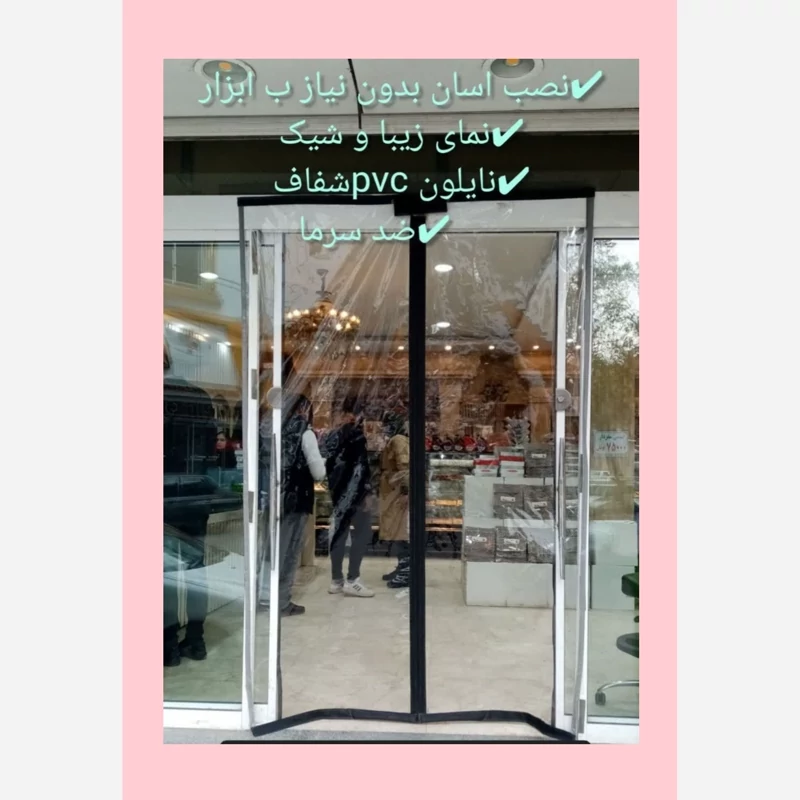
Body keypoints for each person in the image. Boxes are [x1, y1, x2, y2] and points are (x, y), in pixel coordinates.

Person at [163, 340, 217, 666]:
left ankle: (168, 643)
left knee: (166, 572)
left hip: (163, 497)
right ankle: (196, 639)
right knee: (197, 570)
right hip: (196, 496)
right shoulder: (200, 397)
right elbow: (211, 451)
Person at [259, 393, 326, 616]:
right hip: (295, 501)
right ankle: (281, 601)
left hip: (270, 498)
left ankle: (263, 596)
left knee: (269, 550)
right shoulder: (305, 433)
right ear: (303, 409)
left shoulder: (269, 430)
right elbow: (318, 472)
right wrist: (323, 463)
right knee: (288, 552)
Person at [324, 395, 375, 598]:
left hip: (338, 493)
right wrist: (366, 491)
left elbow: (328, 465)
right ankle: (353, 579)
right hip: (356, 493)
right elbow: (362, 466)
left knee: (340, 534)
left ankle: (336, 580)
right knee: (362, 533)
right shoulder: (357, 435)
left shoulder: (332, 435)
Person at [379, 411, 411, 588]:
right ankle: (402, 568)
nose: (384, 429)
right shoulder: (398, 439)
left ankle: (406, 572)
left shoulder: (398, 440)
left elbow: (404, 466)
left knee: (400, 533)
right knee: (397, 531)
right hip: (394, 490)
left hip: (398, 492)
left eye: (387, 425)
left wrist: (406, 491)